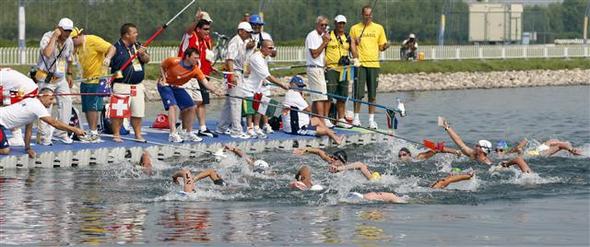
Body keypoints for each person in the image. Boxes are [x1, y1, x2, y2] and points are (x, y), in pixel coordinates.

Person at [158, 48, 222, 143]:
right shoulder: (174, 61)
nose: (197, 60)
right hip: (165, 86)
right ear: (187, 57)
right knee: (173, 106)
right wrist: (163, 78)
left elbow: (205, 83)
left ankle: (189, 133)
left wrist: (215, 90)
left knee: (192, 107)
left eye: (198, 58)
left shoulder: (196, 69)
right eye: (195, 58)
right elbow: (162, 66)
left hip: (177, 87)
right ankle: (173, 134)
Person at [0, 88, 85, 158]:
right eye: (50, 99)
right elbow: (54, 123)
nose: (52, 102)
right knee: (5, 151)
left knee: (5, 149)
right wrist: (74, 129)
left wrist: (27, 148)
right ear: (42, 96)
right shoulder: (37, 106)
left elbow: (28, 130)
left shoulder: (31, 102)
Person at [35, 17, 76, 145]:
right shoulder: (47, 37)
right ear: (58, 28)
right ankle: (44, 136)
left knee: (67, 102)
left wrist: (69, 74)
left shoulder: (69, 41)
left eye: (70, 31)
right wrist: (54, 37)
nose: (68, 33)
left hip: (60, 77)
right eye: (65, 31)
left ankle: (61, 133)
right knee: (46, 106)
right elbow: (47, 53)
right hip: (45, 76)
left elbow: (69, 58)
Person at [70, 28, 116, 142]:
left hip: (97, 79)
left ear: (79, 36)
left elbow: (112, 48)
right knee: (86, 107)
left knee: (92, 106)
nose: (71, 43)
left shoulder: (93, 40)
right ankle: (91, 130)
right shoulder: (77, 47)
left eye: (72, 40)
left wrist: (108, 58)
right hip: (85, 79)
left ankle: (94, 133)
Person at [439, 117, 532, 173]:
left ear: (483, 150)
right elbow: (459, 142)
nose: (474, 147)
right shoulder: (472, 154)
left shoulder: (488, 163)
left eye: (477, 146)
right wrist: (447, 127)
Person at [350, 5, 390, 129]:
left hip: (374, 64)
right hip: (360, 64)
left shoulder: (379, 28)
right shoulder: (355, 28)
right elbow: (351, 46)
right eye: (366, 15)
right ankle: (356, 118)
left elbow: (381, 47)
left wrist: (386, 46)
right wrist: (355, 44)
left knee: (372, 94)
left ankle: (371, 120)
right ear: (362, 15)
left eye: (370, 15)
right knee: (358, 93)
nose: (368, 17)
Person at [178, 15, 217, 138]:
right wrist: (195, 20)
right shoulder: (190, 36)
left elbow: (204, 58)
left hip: (200, 74)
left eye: (208, 28)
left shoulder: (206, 40)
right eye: (205, 28)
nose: (207, 31)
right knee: (188, 103)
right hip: (186, 74)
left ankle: (201, 128)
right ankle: (182, 127)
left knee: (200, 101)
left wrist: (210, 67)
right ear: (198, 28)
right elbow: (188, 30)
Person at [109, 23, 150, 143]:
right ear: (126, 35)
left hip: (137, 85)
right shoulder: (116, 46)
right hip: (121, 85)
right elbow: (108, 58)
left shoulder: (138, 46)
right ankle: (116, 134)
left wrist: (142, 54)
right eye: (134, 33)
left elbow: (147, 60)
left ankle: (138, 134)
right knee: (119, 112)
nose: (136, 35)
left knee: (138, 112)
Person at [243, 40, 289, 138]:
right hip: (248, 86)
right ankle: (249, 129)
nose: (272, 50)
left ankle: (256, 127)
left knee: (259, 108)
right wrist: (282, 84)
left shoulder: (264, 57)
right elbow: (268, 76)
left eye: (273, 47)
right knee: (251, 110)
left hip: (258, 86)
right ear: (262, 48)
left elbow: (265, 74)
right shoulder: (256, 58)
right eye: (270, 48)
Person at [215, 22, 254, 139]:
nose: (249, 34)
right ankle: (237, 130)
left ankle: (221, 127)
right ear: (240, 31)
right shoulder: (235, 41)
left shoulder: (241, 42)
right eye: (247, 32)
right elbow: (229, 58)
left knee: (229, 102)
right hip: (234, 72)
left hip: (238, 71)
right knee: (236, 102)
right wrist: (232, 75)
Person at [281, 76, 343, 145]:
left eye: (301, 86)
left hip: (298, 124)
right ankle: (335, 138)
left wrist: (303, 98)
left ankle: (329, 131)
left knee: (316, 119)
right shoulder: (295, 95)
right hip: (297, 129)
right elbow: (309, 110)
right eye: (298, 86)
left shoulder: (290, 93)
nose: (300, 89)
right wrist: (303, 98)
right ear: (291, 84)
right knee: (325, 131)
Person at [325, 15, 354, 129]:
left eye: (343, 23)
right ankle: (326, 119)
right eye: (339, 23)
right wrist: (324, 65)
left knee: (342, 96)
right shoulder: (328, 35)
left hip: (345, 70)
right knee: (329, 95)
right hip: (331, 69)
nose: (341, 25)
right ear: (335, 23)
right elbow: (323, 50)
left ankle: (341, 119)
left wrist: (355, 58)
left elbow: (354, 51)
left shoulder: (348, 37)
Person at [249, 14, 275, 133]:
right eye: (254, 25)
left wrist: (272, 51)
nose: (257, 27)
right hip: (251, 70)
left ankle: (265, 124)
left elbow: (274, 51)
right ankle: (252, 126)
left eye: (259, 25)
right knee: (253, 98)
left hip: (263, 67)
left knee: (265, 97)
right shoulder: (247, 37)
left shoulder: (266, 36)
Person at [304, 16, 333, 128]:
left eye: (326, 25)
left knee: (317, 97)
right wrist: (325, 43)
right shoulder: (312, 36)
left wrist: (326, 65)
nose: (324, 27)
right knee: (320, 96)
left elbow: (321, 55)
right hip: (314, 68)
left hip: (319, 68)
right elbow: (314, 54)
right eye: (322, 25)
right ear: (317, 25)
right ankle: (322, 122)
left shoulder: (321, 36)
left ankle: (313, 120)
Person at [0, 68, 39, 146]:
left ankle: (17, 137)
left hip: (25, 90)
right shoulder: (3, 72)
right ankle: (17, 136)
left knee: (10, 109)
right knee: (6, 103)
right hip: (26, 88)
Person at [292, 147, 380, 181]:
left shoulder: (346, 167)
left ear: (342, 162)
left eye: (335, 158)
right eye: (332, 157)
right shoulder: (331, 161)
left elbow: (360, 165)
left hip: (373, 179)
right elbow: (319, 151)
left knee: (372, 179)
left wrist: (338, 169)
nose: (332, 159)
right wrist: (304, 150)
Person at [397, 146, 462, 162]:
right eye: (400, 156)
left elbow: (437, 149)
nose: (401, 157)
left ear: (409, 155)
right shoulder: (397, 162)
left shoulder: (419, 157)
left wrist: (455, 152)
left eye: (404, 155)